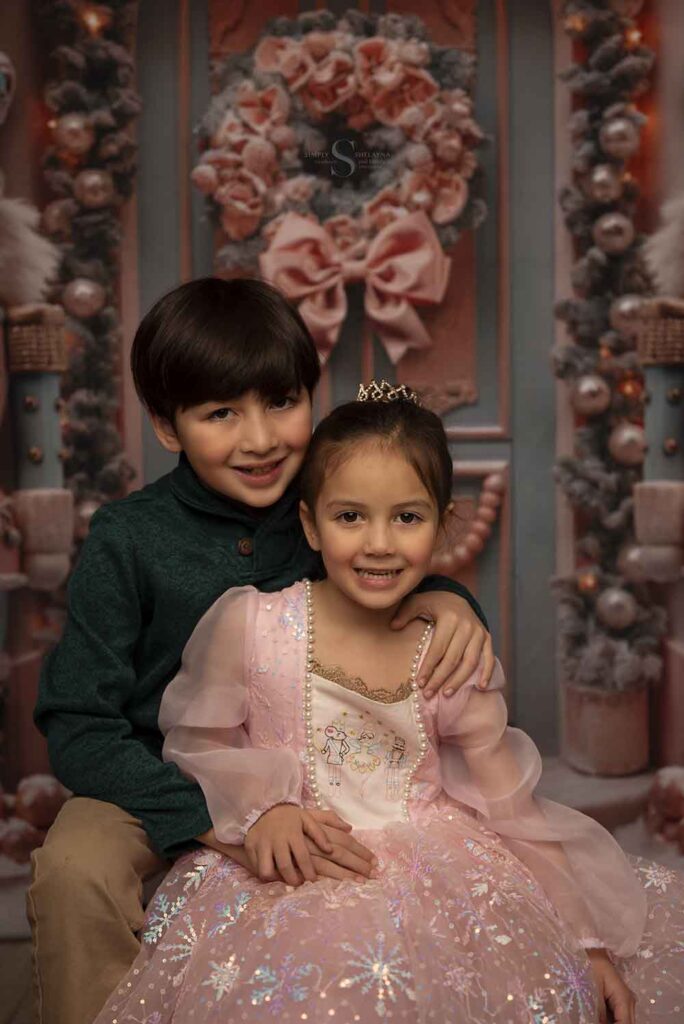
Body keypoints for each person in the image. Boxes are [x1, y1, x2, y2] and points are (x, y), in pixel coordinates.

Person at [95, 385, 684, 1024]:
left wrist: (588, 945)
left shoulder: (449, 653)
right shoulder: (253, 624)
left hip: (438, 873)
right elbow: (196, 743)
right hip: (293, 868)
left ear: (442, 522)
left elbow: (516, 812)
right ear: (309, 524)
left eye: (407, 517)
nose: (379, 543)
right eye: (350, 517)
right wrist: (263, 809)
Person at [29, 279, 493, 1024]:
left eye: (281, 402)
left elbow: (385, 567)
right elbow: (78, 719)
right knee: (73, 871)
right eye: (221, 413)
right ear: (168, 426)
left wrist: (448, 600)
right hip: (149, 785)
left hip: (311, 775)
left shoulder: (323, 504)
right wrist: (217, 818)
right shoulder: (129, 537)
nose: (261, 439)